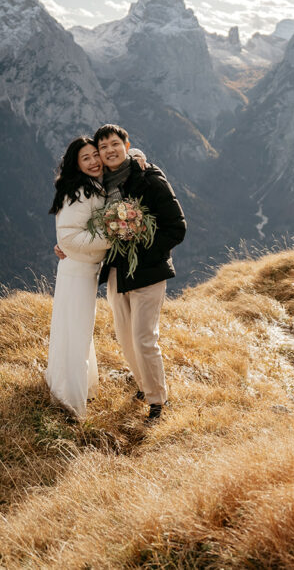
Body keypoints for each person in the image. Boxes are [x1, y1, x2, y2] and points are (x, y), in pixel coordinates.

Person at [94, 124, 186, 422]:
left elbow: (177, 227)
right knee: (124, 337)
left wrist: (142, 246)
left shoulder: (148, 178)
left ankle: (158, 401)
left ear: (126, 144)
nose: (110, 150)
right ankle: (144, 385)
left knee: (144, 337)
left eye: (114, 144)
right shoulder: (98, 184)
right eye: (103, 147)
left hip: (147, 271)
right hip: (116, 273)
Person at [47, 137, 112, 420]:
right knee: (75, 332)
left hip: (82, 269)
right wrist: (111, 237)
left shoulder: (90, 186)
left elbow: (127, 155)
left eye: (95, 155)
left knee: (76, 330)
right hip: (77, 271)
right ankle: (71, 400)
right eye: (86, 158)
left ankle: (81, 387)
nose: (95, 161)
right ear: (76, 163)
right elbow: (70, 237)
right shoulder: (80, 192)